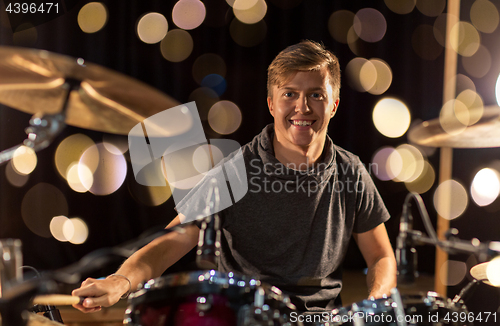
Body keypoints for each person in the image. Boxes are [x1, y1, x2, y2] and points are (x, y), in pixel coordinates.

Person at [72, 40, 396, 313]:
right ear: (271, 103)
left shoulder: (350, 170)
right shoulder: (236, 170)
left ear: (334, 104)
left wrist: (377, 301)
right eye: (289, 94)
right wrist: (121, 281)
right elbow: (174, 240)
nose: (302, 107)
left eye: (316, 95)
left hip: (320, 318)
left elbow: (380, 254)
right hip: (249, 315)